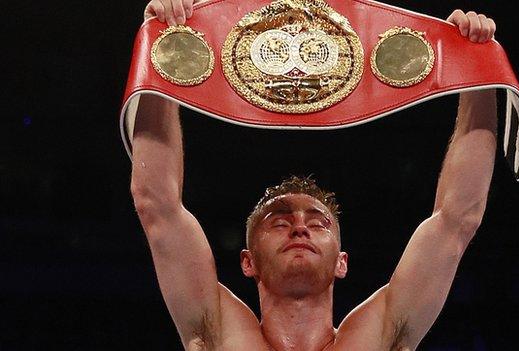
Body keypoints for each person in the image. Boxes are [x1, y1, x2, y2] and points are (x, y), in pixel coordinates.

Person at [132, 1, 498, 350]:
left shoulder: (378, 337)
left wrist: (479, 70)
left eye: (319, 223)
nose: (299, 227)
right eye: (278, 221)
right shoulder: (215, 332)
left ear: (342, 261)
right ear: (248, 262)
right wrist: (163, 54)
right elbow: (157, 206)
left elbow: (457, 219)